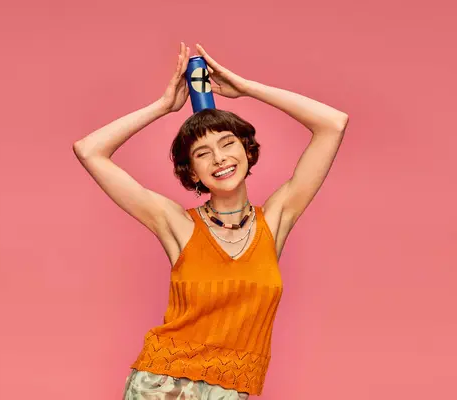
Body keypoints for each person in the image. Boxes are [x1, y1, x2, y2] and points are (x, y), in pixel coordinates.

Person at [73, 42, 349, 399]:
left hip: (234, 389)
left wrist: (247, 88)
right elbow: (89, 150)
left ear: (248, 151)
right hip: (161, 386)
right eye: (203, 154)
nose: (219, 158)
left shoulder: (276, 219)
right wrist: (162, 107)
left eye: (227, 143)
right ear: (193, 173)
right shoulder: (177, 224)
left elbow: (333, 124)